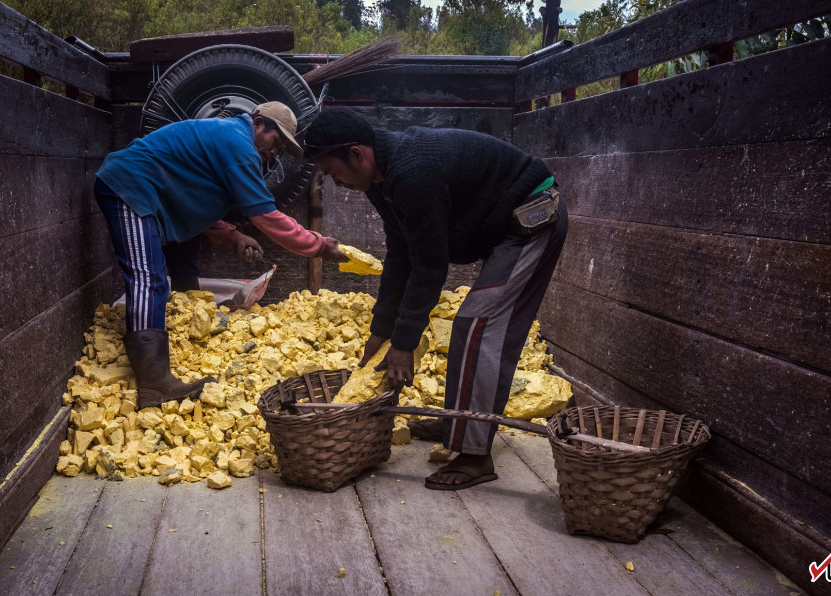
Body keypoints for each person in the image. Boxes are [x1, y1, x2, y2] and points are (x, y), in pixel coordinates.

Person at [303, 108, 568, 491]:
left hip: (532, 217)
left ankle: (476, 456)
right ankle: (460, 421)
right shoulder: (380, 179)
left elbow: (429, 266)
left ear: (357, 154)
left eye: (332, 172)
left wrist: (404, 343)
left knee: (478, 325)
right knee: (472, 324)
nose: (336, 183)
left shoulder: (413, 172)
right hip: (502, 225)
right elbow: (401, 252)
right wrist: (381, 330)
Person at [95, 102, 344, 409]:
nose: (275, 153)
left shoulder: (229, 140)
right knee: (148, 277)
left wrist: (233, 236)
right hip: (128, 185)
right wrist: (316, 245)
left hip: (150, 193)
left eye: (280, 149)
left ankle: (175, 336)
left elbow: (191, 198)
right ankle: (154, 381)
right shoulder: (238, 143)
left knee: (176, 259)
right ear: (258, 123)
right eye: (275, 142)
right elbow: (266, 216)